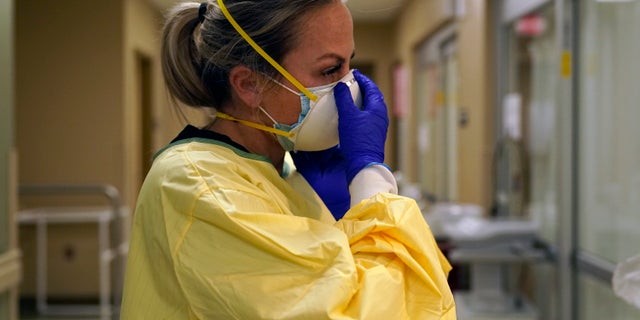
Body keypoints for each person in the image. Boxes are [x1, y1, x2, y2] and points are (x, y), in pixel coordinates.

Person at [120, 0, 456, 319]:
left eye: (348, 63)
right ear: (250, 85)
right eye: (330, 70)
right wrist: (371, 181)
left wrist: (348, 215)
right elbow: (365, 311)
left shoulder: (282, 170)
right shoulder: (198, 185)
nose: (350, 86)